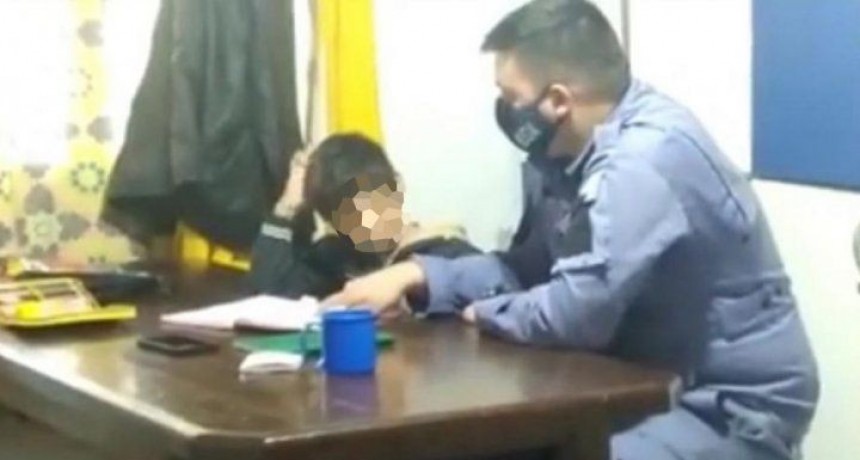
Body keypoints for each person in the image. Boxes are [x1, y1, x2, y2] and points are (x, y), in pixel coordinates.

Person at [324, 1, 820, 459]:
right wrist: (419, 276)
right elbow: (529, 267)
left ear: (558, 101)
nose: (505, 110)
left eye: (510, 97)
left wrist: (484, 312)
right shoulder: (565, 157)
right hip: (642, 381)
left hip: (725, 407)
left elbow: (575, 313)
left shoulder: (642, 162)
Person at [249, 133, 478, 300]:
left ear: (397, 185)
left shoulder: (448, 254)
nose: (367, 223)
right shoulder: (336, 259)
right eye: (350, 218)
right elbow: (271, 294)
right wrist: (287, 206)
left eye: (372, 204)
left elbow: (491, 291)